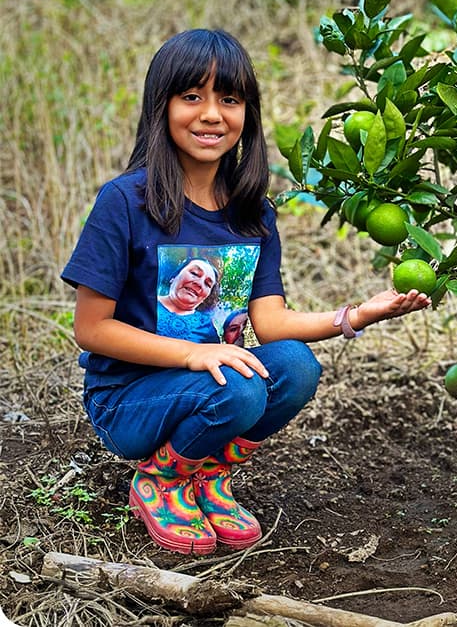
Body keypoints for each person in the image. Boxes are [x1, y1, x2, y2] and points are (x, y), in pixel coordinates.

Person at [61, 28, 430, 556]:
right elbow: (91, 329)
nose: (211, 114)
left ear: (247, 114)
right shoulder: (126, 202)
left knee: (297, 366)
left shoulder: (251, 213)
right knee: (238, 387)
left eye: (228, 99)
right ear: (160, 107)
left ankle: (207, 475)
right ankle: (160, 481)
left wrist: (358, 314)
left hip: (209, 382)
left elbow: (272, 324)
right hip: (129, 400)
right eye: (192, 97)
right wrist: (197, 352)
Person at [157, 257, 222, 343]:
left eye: (207, 284)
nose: (199, 284)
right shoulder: (144, 303)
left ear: (205, 297)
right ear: (174, 277)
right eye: (194, 273)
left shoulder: (207, 326)